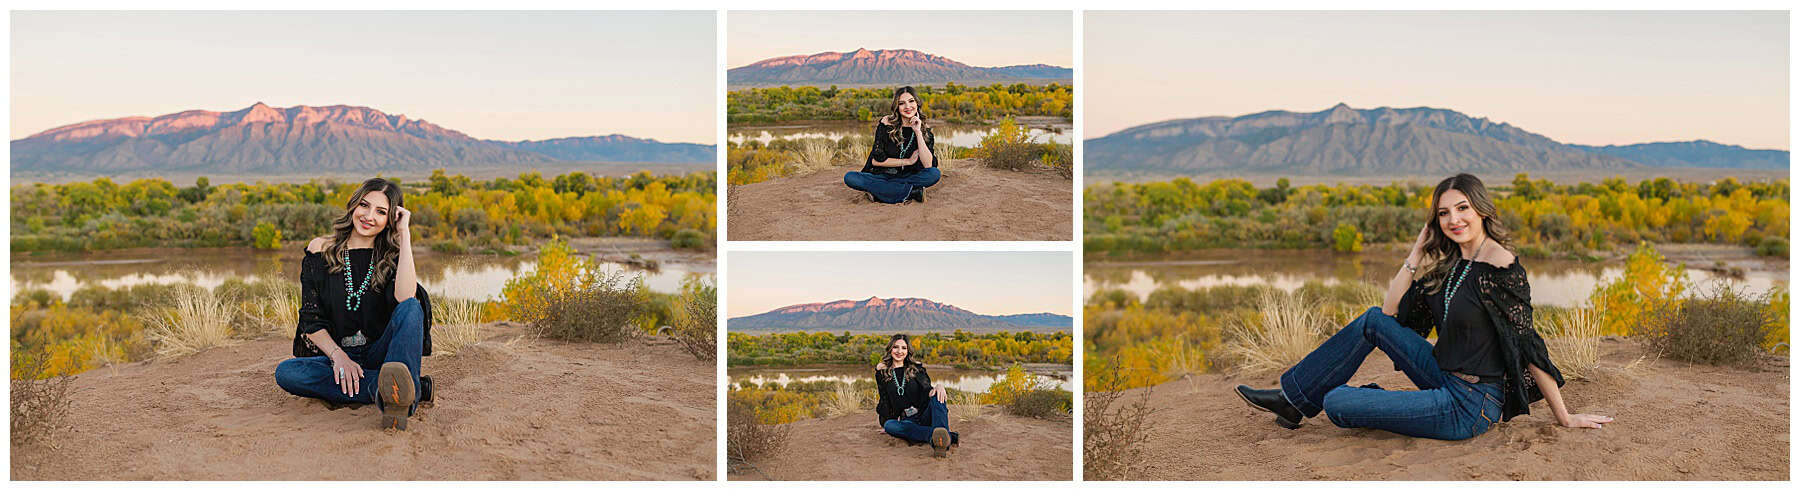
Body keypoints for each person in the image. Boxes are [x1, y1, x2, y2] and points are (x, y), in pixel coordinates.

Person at [1235, 173, 1612, 440]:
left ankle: (1368, 400)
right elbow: (1388, 312)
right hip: (1442, 373)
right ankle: (1292, 400)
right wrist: (1415, 253)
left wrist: (1564, 416)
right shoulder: (1451, 264)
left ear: (1480, 209)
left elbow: (1529, 344)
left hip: (1471, 404)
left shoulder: (1500, 266)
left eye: (1462, 208)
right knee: (1371, 320)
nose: (1454, 219)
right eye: (1444, 213)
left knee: (1335, 401)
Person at [274, 177, 434, 431]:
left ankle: (397, 391)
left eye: (381, 212)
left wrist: (404, 234)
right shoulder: (320, 250)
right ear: (353, 206)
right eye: (364, 205)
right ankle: (400, 389)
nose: (369, 216)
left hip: (381, 354)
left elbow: (406, 299)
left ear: (390, 219)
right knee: (287, 373)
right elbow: (311, 319)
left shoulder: (392, 258)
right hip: (337, 355)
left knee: (413, 307)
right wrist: (339, 358)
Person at [844, 86, 939, 204]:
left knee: (934, 174)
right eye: (902, 103)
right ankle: (911, 192)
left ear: (917, 103)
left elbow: (928, 165)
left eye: (911, 101)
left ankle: (879, 193)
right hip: (883, 175)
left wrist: (918, 132)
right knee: (850, 178)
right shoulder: (886, 124)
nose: (908, 107)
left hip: (909, 176)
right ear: (897, 107)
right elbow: (876, 161)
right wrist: (908, 161)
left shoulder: (924, 129)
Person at [874, 334, 960, 457]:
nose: (899, 351)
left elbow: (927, 390)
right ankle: (943, 437)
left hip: (924, 415)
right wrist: (885, 423)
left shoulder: (916, 368)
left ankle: (941, 440)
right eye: (896, 347)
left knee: (938, 395)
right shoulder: (883, 372)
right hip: (907, 421)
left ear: (908, 351)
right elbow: (884, 399)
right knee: (889, 426)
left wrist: (939, 386)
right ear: (890, 349)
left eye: (903, 348)